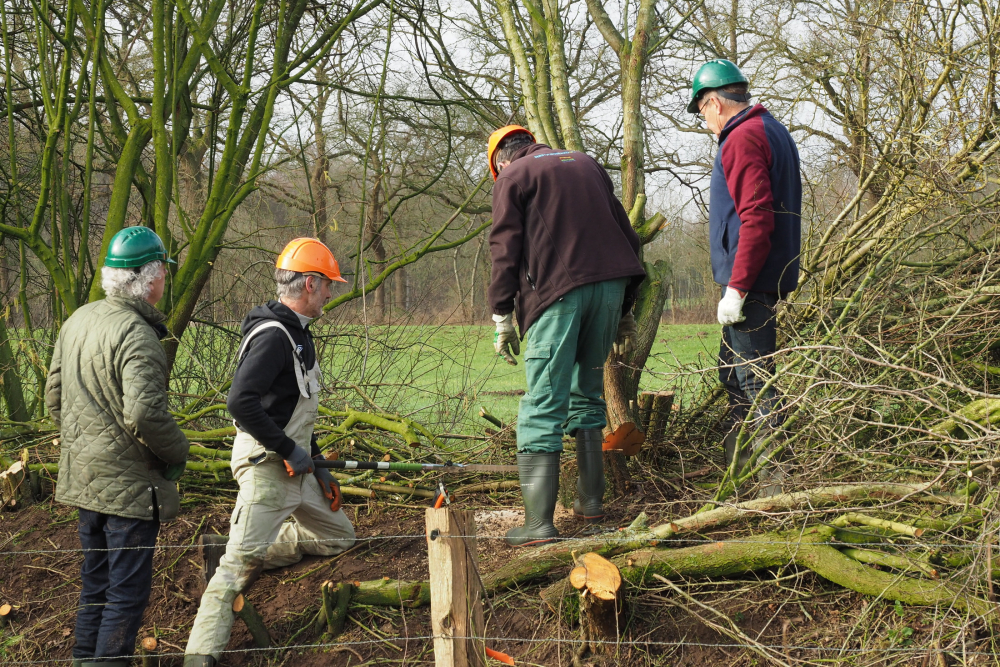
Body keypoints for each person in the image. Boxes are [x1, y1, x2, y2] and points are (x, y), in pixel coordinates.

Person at [184, 238, 356, 666]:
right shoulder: (275, 337)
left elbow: (293, 411)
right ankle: (199, 655)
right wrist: (285, 449)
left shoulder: (299, 335)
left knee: (340, 536)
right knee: (235, 572)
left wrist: (317, 466)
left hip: (296, 469)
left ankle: (235, 543)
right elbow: (240, 403)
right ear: (310, 284)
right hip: (266, 467)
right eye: (329, 285)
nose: (331, 295)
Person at [487, 125, 646, 547]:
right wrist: (626, 304)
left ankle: (539, 525)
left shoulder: (513, 177)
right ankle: (590, 504)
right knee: (587, 396)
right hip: (611, 290)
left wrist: (502, 313)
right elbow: (625, 234)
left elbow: (504, 247)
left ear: (502, 160)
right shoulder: (585, 163)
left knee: (542, 405)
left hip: (557, 295)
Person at [45, 227, 190, 667]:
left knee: (94, 589)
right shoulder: (137, 334)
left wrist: (84, 444)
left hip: (84, 482)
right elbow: (145, 415)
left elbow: (53, 399)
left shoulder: (78, 320)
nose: (165, 277)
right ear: (149, 278)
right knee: (125, 599)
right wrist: (178, 451)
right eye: (162, 268)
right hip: (127, 490)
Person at [687, 59, 801, 496]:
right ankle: (741, 480)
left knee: (756, 380)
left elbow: (756, 217)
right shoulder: (772, 129)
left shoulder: (742, 138)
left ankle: (777, 488)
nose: (706, 122)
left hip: (750, 281)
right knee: (733, 377)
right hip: (762, 276)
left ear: (714, 102)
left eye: (703, 112)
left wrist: (737, 286)